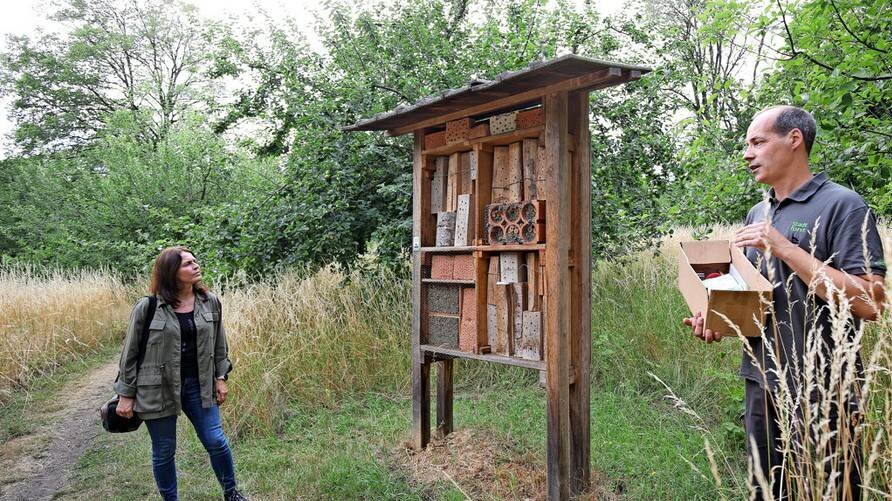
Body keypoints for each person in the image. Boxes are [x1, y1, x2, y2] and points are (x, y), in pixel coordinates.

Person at [683, 106, 886, 500]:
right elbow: (758, 300)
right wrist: (718, 320)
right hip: (763, 381)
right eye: (747, 145)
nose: (747, 153)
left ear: (794, 140)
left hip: (827, 388)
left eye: (757, 142)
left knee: (830, 491)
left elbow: (870, 303)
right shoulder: (759, 211)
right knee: (766, 491)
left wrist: (784, 247)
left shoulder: (844, 205)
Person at [114, 246, 248, 501]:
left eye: (195, 261)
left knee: (216, 441)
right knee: (164, 450)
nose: (195, 266)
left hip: (200, 385)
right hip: (158, 387)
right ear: (171, 271)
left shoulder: (210, 302)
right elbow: (129, 353)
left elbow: (220, 345)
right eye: (187, 263)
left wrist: (221, 378)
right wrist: (126, 394)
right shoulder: (149, 306)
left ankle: (231, 493)